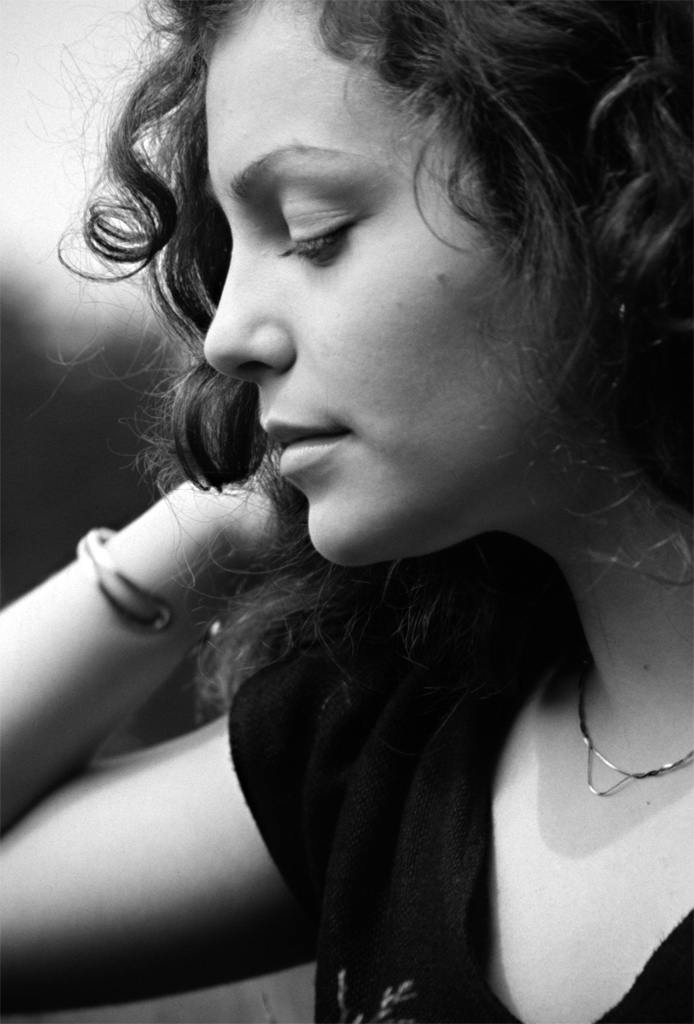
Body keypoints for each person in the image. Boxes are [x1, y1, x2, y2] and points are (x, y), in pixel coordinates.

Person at [2, 1, 692, 1021]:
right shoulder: (390, 752)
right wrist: (205, 529)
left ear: (608, 179)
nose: (226, 335)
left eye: (311, 232)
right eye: (227, 251)